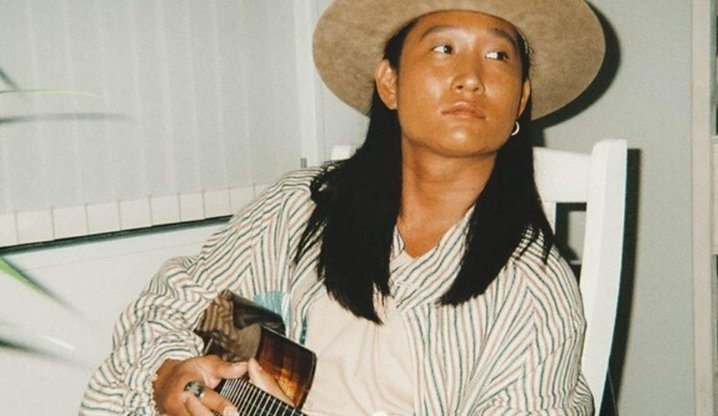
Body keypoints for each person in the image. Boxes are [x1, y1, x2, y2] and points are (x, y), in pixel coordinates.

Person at [80, 0, 605, 415]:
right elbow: (172, 304)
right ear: (390, 83)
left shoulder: (535, 290)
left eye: (498, 56)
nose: (471, 76)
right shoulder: (301, 208)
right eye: (444, 48)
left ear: (520, 100)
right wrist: (170, 374)